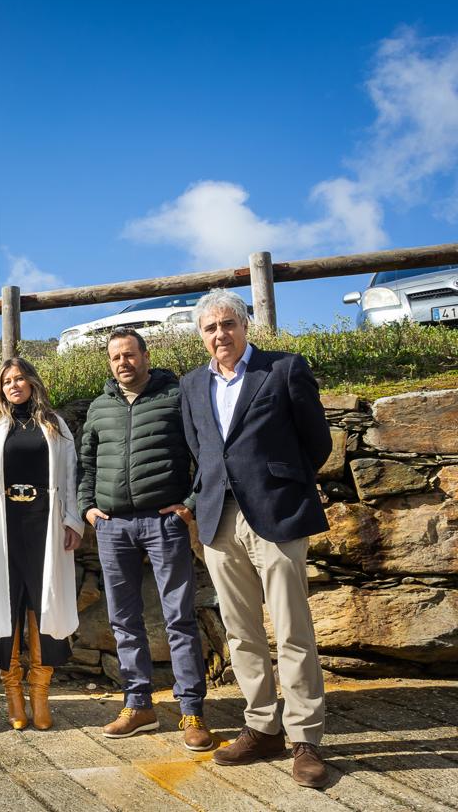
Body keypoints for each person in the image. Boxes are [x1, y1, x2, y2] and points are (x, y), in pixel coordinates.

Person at [181, 289, 333, 789]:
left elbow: (318, 442)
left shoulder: (284, 369)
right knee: (240, 631)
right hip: (218, 521)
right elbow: (199, 448)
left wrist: (282, 485)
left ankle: (305, 738)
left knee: (292, 629)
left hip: (276, 514)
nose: (220, 335)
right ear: (201, 335)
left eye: (228, 324)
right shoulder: (191, 385)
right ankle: (262, 726)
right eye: (210, 328)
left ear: (245, 326)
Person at [78, 328, 212, 751]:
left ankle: (191, 710)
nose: (123, 362)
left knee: (179, 619)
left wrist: (189, 502)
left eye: (130, 354)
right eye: (115, 357)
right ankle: (138, 706)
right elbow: (86, 463)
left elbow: (205, 453)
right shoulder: (100, 408)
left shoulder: (175, 397)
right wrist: (88, 508)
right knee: (123, 620)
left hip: (163, 522)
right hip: (113, 526)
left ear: (146, 356)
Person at [0, 357, 80, 731]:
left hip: (44, 520)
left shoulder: (55, 425)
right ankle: (13, 692)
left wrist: (72, 519)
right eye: (7, 381)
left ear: (31, 381)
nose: (14, 385)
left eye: (19, 378)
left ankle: (40, 694)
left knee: (44, 603)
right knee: (6, 605)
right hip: (3, 523)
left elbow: (71, 475)